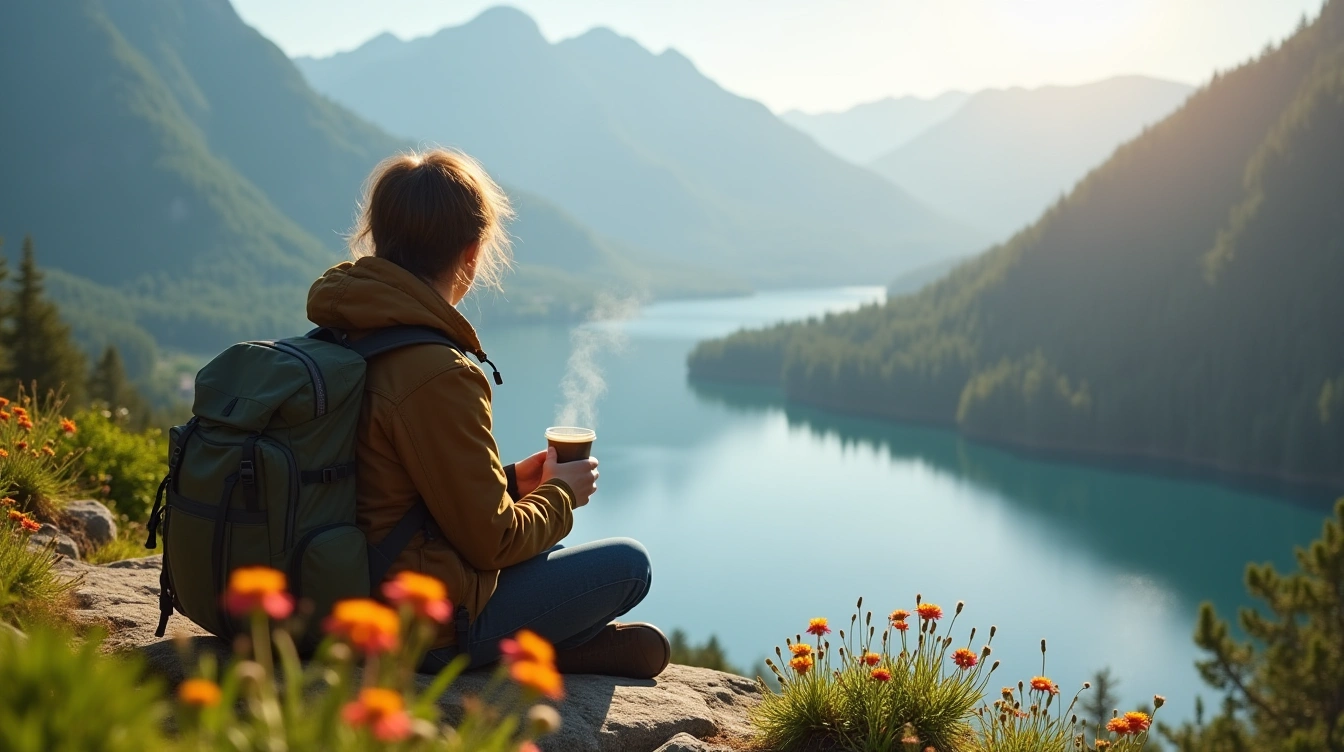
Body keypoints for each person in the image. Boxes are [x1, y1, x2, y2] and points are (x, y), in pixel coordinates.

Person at [306, 149, 669, 678]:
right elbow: (494, 541)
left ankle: (551, 645)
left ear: (379, 238)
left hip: (350, 589)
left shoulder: (347, 331)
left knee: (551, 544)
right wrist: (562, 492)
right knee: (628, 566)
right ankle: (547, 652)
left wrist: (511, 483)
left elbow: (389, 489)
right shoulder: (438, 371)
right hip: (420, 626)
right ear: (472, 253)